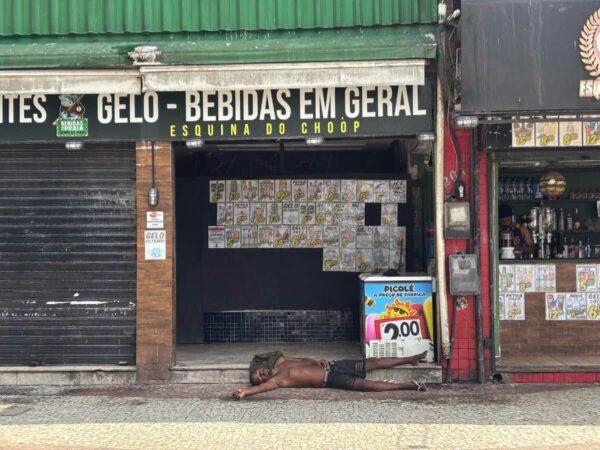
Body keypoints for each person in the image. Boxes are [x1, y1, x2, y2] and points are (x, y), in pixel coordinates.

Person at [232, 351, 428, 400]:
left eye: (259, 372)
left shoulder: (281, 362)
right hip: (330, 379)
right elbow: (261, 389)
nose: (262, 375)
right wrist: (246, 392)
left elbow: (302, 359)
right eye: (260, 378)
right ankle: (409, 385)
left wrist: (317, 360)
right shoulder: (277, 380)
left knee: (373, 361)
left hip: (333, 365)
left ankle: (411, 359)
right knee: (368, 386)